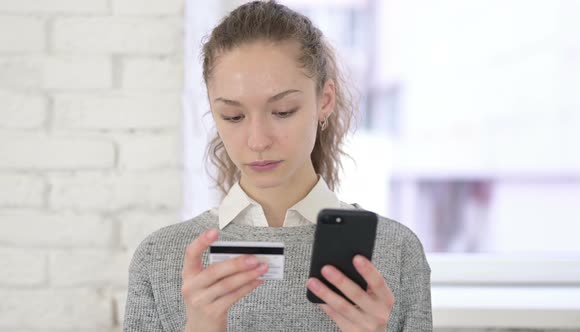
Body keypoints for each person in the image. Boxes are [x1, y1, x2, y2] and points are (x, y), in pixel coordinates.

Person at [123, 1, 432, 331]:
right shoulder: (160, 257)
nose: (257, 141)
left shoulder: (395, 252)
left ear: (324, 101)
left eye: (283, 111)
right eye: (233, 116)